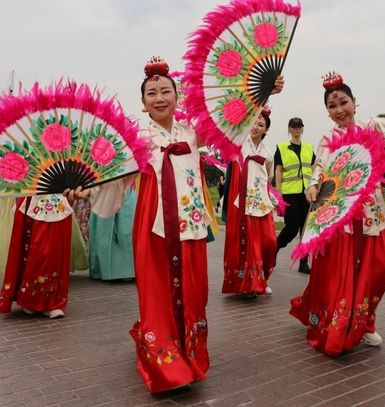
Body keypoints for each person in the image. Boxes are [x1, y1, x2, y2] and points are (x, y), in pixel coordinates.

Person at [69, 57, 284, 392]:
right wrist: (83, 187)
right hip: (154, 222)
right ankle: (164, 364)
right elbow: (109, 174)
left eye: (165, 91)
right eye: (151, 93)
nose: (159, 97)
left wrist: (262, 94)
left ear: (176, 96)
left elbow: (233, 123)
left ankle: (189, 351)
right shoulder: (134, 135)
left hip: (190, 222)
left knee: (193, 291)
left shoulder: (192, 131)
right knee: (157, 290)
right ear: (142, 103)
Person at [290, 72, 385, 356]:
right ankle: (341, 327)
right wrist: (312, 187)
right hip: (341, 220)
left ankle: (365, 319)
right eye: (332, 107)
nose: (339, 110)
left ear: (354, 102)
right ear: (327, 111)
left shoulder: (371, 128)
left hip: (370, 214)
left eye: (343, 102)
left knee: (378, 271)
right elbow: (319, 171)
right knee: (343, 275)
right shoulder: (327, 140)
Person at [222, 107, 277, 297]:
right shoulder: (239, 145)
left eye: (260, 124)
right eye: (253, 122)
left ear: (266, 130)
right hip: (242, 203)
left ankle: (264, 277)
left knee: (269, 241)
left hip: (261, 203)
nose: (255, 126)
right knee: (248, 243)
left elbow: (268, 179)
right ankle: (248, 283)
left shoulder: (268, 153)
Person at [0, 194, 75, 319]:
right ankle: (29, 298)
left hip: (59, 202)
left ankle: (54, 302)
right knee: (34, 252)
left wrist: (74, 191)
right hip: (32, 199)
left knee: (56, 253)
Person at [274, 117, 315, 273]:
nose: (296, 129)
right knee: (291, 228)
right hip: (289, 193)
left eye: (299, 126)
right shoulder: (282, 147)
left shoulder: (309, 148)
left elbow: (313, 168)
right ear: (289, 129)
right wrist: (278, 193)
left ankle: (303, 263)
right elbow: (278, 170)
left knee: (306, 229)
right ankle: (275, 248)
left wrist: (315, 187)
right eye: (293, 126)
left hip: (306, 194)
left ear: (302, 128)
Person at [88, 179, 136, 281]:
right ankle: (103, 268)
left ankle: (127, 270)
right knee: (104, 225)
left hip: (125, 181)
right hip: (105, 183)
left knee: (125, 225)